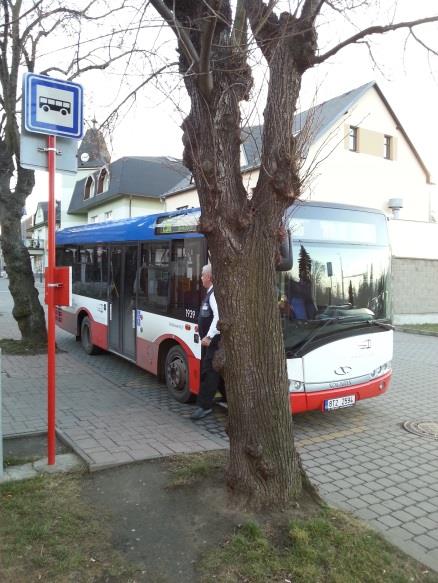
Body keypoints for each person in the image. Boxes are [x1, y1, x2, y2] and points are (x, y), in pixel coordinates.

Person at [190, 264, 224, 420]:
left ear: (209, 277)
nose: (201, 278)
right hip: (209, 341)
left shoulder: (214, 294)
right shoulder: (210, 293)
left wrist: (209, 336)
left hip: (213, 341)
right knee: (213, 371)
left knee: (208, 372)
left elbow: (218, 317)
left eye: (203, 275)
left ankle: (204, 407)